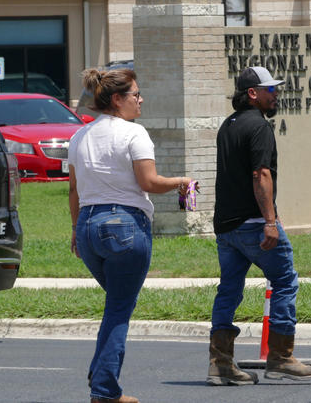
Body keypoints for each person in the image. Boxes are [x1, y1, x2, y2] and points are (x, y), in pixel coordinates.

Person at [68, 68, 193, 403]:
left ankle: (101, 377)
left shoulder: (80, 136)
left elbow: (74, 191)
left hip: (88, 227)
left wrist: (75, 231)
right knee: (119, 308)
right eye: (136, 94)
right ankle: (105, 390)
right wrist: (180, 182)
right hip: (124, 227)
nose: (141, 100)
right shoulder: (134, 133)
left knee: (116, 304)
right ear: (117, 99)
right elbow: (148, 182)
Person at [207, 66, 311, 385]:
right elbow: (260, 175)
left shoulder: (227, 126)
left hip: (226, 226)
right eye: (270, 89)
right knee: (285, 280)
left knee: (229, 290)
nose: (276, 94)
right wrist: (270, 221)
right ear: (252, 94)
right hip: (254, 224)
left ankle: (220, 365)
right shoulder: (258, 127)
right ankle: (281, 358)